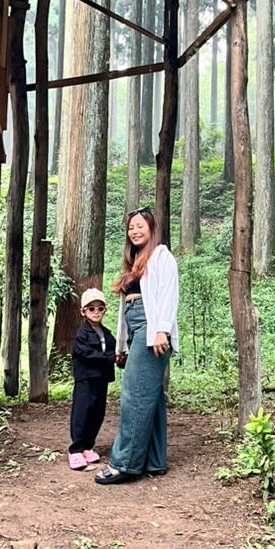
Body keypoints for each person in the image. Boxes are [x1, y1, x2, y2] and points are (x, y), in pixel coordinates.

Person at [95, 207, 178, 485]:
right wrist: (121, 345)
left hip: (151, 329)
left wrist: (161, 330)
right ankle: (154, 462)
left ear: (151, 229)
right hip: (137, 330)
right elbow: (125, 311)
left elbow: (168, 294)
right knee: (150, 396)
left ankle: (125, 463)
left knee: (134, 395)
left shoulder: (161, 256)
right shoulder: (134, 264)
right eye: (131, 227)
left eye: (140, 225)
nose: (135, 231)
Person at [68, 287, 116, 470]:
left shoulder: (107, 333)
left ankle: (88, 446)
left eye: (100, 308)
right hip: (85, 379)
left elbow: (114, 351)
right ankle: (75, 450)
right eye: (91, 308)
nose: (96, 312)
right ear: (83, 311)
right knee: (82, 412)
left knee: (97, 412)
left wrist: (119, 357)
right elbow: (86, 354)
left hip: (101, 379)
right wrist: (111, 358)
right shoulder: (82, 334)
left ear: (105, 310)